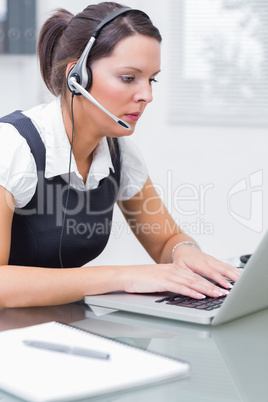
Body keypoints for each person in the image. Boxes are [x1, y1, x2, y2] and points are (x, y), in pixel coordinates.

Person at [0, 2, 241, 309]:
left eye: (151, 79)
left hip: (64, 326)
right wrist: (125, 277)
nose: (147, 96)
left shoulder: (118, 154)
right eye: (129, 78)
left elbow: (165, 240)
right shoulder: (11, 146)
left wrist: (186, 251)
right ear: (77, 76)